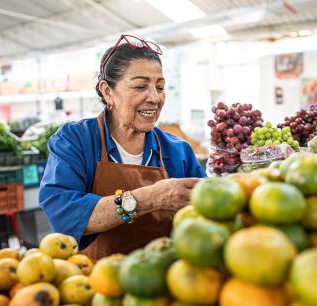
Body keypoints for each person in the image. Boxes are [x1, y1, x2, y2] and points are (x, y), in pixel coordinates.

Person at [39, 34, 206, 259]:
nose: (155, 98)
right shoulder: (76, 140)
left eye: (160, 87)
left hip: (162, 279)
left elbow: (205, 213)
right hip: (95, 282)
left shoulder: (179, 151)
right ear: (108, 91)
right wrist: (153, 196)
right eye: (140, 86)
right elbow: (64, 216)